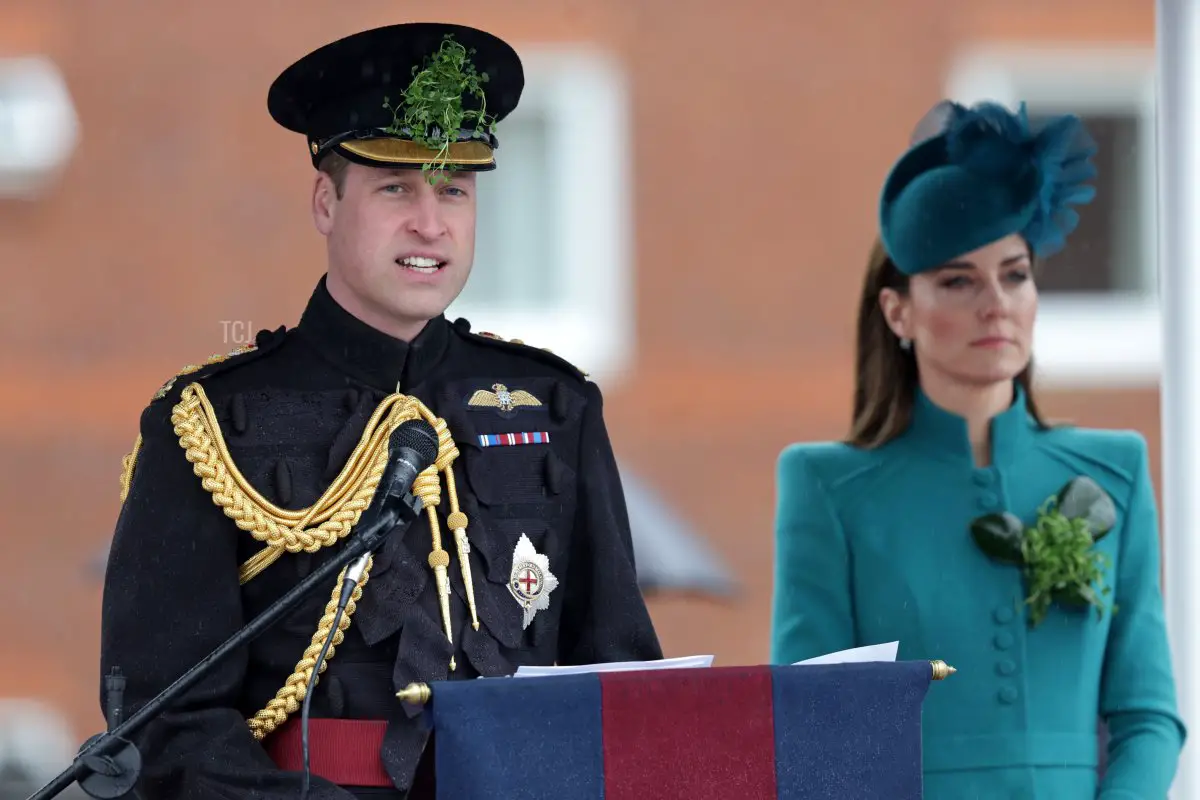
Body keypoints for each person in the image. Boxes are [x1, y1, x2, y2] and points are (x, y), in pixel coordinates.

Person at [99, 22, 663, 800]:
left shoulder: (558, 404)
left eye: (454, 190)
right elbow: (165, 724)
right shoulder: (207, 423)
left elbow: (622, 681)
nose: (430, 223)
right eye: (396, 187)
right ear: (326, 201)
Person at [769, 99, 1185, 798]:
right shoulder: (826, 485)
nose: (995, 302)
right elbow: (812, 725)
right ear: (898, 311)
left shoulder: (1117, 471)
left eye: (1014, 273)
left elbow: (1148, 715)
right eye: (959, 280)